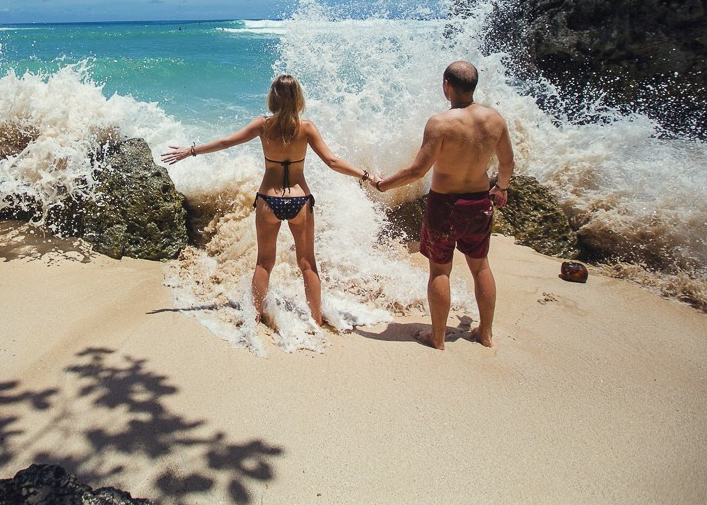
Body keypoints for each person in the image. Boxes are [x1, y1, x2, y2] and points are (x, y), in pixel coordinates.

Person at [162, 74, 375, 329]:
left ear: (273, 97)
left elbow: (227, 142)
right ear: (298, 98)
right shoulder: (306, 128)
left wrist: (191, 150)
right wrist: (365, 176)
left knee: (264, 262)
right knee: (307, 263)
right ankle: (316, 320)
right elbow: (332, 161)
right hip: (300, 200)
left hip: (268, 199)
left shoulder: (263, 125)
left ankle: (254, 316)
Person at [374, 61, 513, 349]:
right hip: (479, 203)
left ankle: (437, 338)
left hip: (445, 206)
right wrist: (502, 188)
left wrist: (384, 185)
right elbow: (507, 161)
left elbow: (417, 171)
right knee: (481, 268)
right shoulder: (495, 119)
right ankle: (485, 334)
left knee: (440, 271)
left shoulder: (440, 123)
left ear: (446, 85)